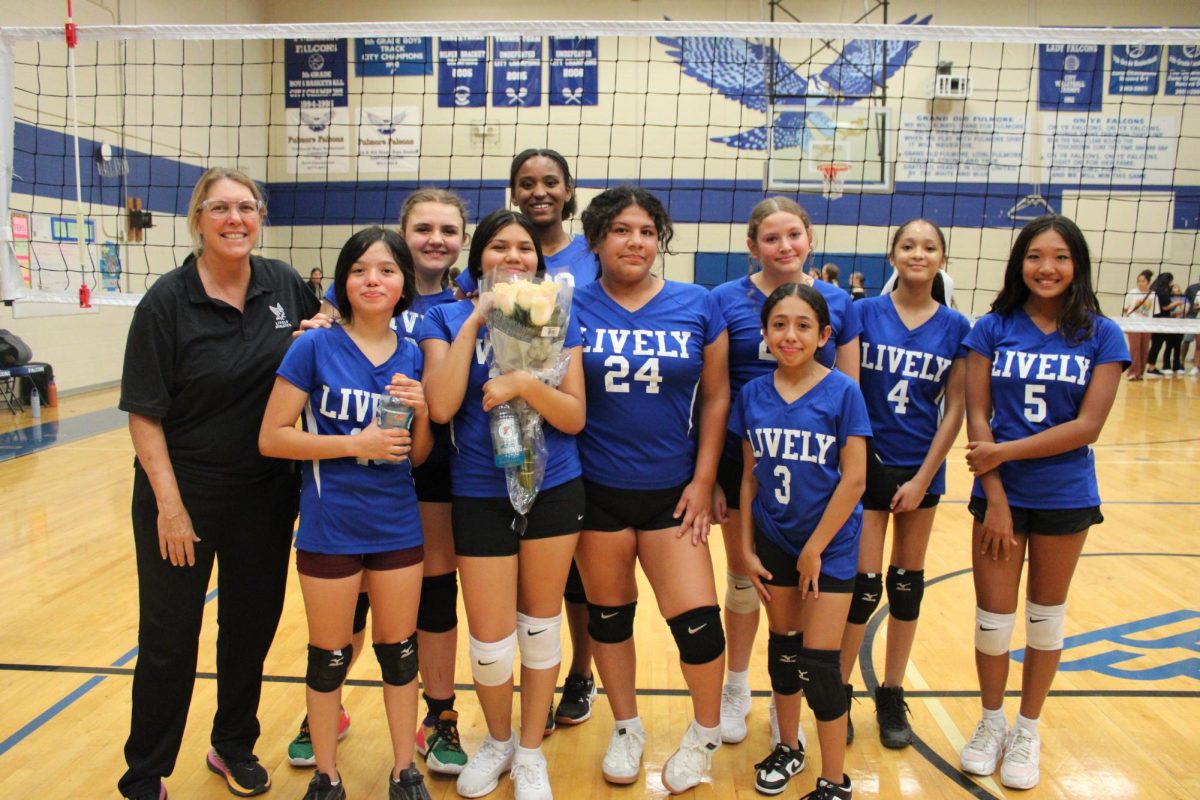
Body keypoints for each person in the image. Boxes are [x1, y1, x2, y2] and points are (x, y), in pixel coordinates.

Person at [117, 167, 321, 800]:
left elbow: (322, 351)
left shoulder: (283, 283)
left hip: (265, 493)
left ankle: (233, 745)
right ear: (197, 219)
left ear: (260, 217)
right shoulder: (166, 302)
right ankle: (145, 772)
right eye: (221, 208)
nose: (236, 219)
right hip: (184, 494)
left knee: (249, 629)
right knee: (169, 639)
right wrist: (171, 509)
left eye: (247, 207)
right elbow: (145, 415)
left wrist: (323, 335)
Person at [284, 190, 472, 777]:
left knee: (421, 618)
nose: (435, 238)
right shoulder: (323, 336)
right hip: (336, 505)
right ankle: (325, 718)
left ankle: (432, 722)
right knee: (340, 628)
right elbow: (274, 431)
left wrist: (418, 412)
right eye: (423, 228)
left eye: (448, 229)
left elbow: (419, 441)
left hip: (420, 492)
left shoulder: (462, 309)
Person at [259, 226, 434, 800]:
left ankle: (404, 770)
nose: (372, 279)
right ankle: (327, 778)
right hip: (330, 524)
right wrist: (352, 445)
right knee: (329, 655)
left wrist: (424, 412)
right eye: (360, 269)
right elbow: (273, 438)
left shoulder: (411, 352)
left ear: (403, 282)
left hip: (396, 523)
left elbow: (419, 455)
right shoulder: (312, 345)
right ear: (343, 280)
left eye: (386, 269)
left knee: (398, 651)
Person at [421, 209, 586, 800]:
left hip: (555, 486)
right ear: (478, 259)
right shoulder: (443, 317)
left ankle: (532, 751)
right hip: (479, 491)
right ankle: (497, 740)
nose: (513, 256)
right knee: (490, 641)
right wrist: (479, 318)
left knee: (540, 628)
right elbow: (439, 408)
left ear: (540, 263)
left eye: (524, 248)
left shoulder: (559, 314)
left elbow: (573, 416)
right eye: (499, 247)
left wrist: (524, 386)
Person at [959, 215, 1128, 790]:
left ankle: (1028, 727)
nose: (1047, 268)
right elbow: (977, 415)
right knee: (992, 621)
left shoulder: (1102, 335)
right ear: (1020, 263)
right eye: (1035, 256)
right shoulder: (991, 328)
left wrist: (1001, 454)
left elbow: (1089, 426)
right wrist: (997, 493)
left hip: (1064, 494)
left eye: (1059, 257)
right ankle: (990, 722)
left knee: (1044, 619)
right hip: (1001, 498)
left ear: (1076, 264)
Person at [571, 186, 730, 793]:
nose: (634, 241)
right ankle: (627, 726)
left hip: (673, 492)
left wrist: (704, 477)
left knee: (698, 623)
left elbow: (716, 395)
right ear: (596, 241)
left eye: (645, 231)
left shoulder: (697, 304)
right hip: (596, 490)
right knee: (609, 618)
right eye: (620, 230)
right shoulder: (571, 305)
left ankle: (705, 734)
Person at [709, 196, 861, 749]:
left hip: (815, 453)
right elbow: (718, 388)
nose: (784, 247)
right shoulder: (723, 299)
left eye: (793, 235)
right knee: (748, 579)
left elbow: (848, 388)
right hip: (751, 450)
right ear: (753, 246)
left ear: (810, 239)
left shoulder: (840, 303)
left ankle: (786, 701)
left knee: (808, 583)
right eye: (771, 238)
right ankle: (736, 684)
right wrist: (709, 478)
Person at [731, 283, 870, 800]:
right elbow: (748, 477)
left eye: (803, 325)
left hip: (828, 547)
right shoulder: (753, 394)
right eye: (780, 324)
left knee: (820, 665)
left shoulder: (843, 392)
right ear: (765, 334)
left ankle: (835, 780)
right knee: (784, 652)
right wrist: (744, 547)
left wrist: (815, 548)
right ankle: (788, 746)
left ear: (824, 335)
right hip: (772, 541)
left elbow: (854, 480)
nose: (791, 335)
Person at [836, 220, 971, 748]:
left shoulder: (958, 326)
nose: (919, 253)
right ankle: (840, 691)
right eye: (909, 245)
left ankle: (891, 693)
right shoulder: (863, 313)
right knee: (863, 587)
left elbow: (955, 405)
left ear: (941, 259)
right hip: (866, 464)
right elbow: (846, 392)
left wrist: (924, 477)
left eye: (929, 247)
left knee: (906, 585)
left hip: (921, 467)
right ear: (892, 255)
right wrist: (862, 464)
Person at [1120, 269, 1156, 381]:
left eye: (1143, 281)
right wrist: (1126, 324)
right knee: (1135, 349)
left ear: (1148, 282)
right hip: (1133, 324)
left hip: (1147, 325)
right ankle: (1132, 373)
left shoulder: (1153, 295)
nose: (1141, 283)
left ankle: (1140, 373)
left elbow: (1154, 312)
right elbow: (1125, 309)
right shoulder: (1132, 293)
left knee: (1144, 349)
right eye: (1139, 281)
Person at [1144, 271, 1175, 377]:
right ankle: (1151, 367)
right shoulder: (1162, 291)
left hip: (1154, 320)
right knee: (1157, 344)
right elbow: (1165, 307)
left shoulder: (1153, 288)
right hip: (1161, 321)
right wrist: (1177, 303)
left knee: (1155, 344)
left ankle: (1150, 366)